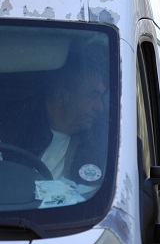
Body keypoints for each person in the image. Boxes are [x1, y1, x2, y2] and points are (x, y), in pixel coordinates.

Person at [1, 49, 107, 186]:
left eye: (100, 97)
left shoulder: (104, 141)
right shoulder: (11, 127)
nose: (100, 107)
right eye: (92, 96)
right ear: (62, 95)